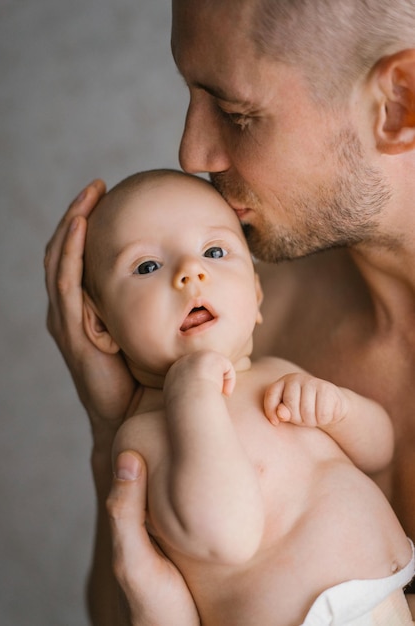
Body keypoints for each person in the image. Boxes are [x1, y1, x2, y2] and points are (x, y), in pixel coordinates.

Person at [43, 0, 415, 623]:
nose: (192, 152)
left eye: (238, 114)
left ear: (399, 104)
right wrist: (110, 427)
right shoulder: (248, 309)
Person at [82, 168, 413, 625]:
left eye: (214, 251)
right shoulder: (146, 434)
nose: (190, 273)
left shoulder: (278, 372)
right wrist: (192, 394)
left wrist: (338, 408)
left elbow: (379, 450)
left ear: (256, 293)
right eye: (147, 266)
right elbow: (225, 536)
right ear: (100, 325)